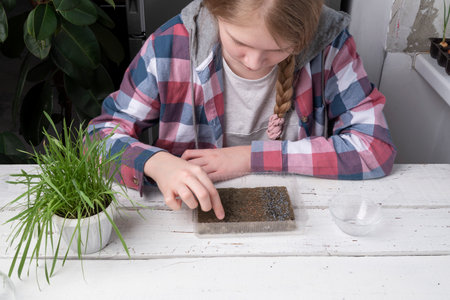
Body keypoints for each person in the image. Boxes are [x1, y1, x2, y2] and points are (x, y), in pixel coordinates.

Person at [88, 0, 397, 220]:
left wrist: (249, 158)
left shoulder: (330, 45)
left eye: (278, 49)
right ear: (214, 10)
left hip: (301, 222)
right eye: (239, 42)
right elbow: (98, 138)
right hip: (184, 227)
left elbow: (374, 148)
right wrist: (156, 163)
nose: (253, 62)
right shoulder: (168, 47)